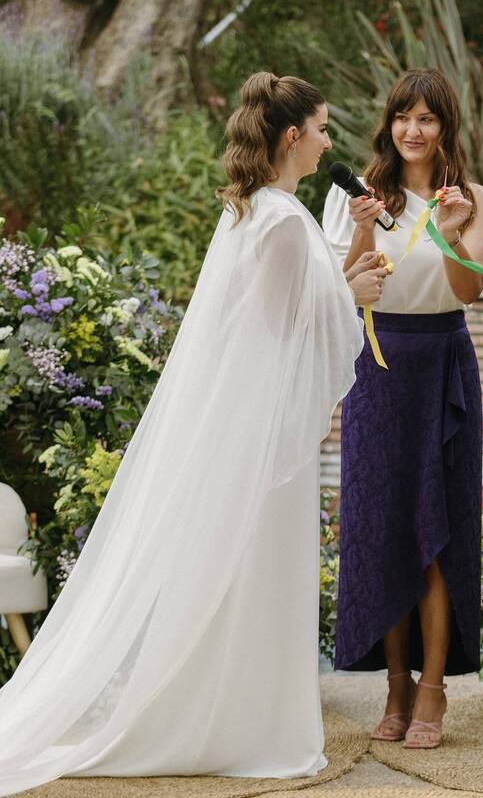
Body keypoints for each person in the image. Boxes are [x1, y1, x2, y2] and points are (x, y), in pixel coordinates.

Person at [0, 72, 388, 795]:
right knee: (254, 570)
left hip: (252, 421)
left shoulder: (261, 211)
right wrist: (351, 292)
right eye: (325, 128)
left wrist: (341, 278)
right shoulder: (276, 218)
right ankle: (245, 728)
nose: (333, 140)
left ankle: (227, 713)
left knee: (240, 572)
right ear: (292, 136)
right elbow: (275, 329)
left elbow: (281, 308)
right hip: (261, 434)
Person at [323, 68, 483, 750]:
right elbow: (344, 290)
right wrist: (366, 232)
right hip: (375, 367)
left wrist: (451, 231)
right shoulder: (356, 198)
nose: (412, 130)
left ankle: (432, 688)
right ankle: (393, 686)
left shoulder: (473, 198)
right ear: (388, 124)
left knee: (437, 534)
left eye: (426, 118)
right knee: (383, 529)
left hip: (443, 367)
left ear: (444, 126)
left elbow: (468, 290)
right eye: (402, 117)